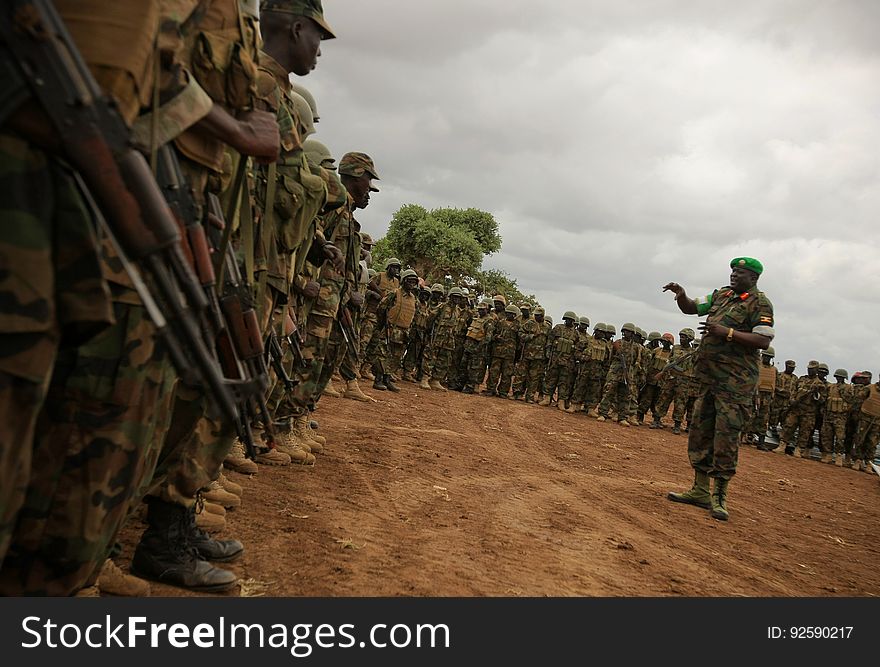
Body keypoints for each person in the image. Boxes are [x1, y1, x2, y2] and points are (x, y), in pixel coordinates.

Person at [664, 257, 774, 521]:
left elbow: (763, 339)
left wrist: (727, 332)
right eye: (733, 271)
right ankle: (700, 490)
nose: (734, 275)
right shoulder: (721, 295)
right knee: (701, 432)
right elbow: (691, 308)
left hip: (735, 385)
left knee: (725, 438)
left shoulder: (759, 303)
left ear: (754, 278)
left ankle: (719, 496)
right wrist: (682, 296)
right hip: (709, 379)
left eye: (740, 272)